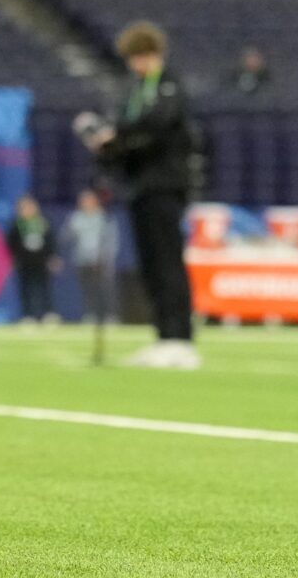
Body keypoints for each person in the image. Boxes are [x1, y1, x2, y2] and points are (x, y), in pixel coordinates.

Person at [77, 20, 199, 370]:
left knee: (168, 261)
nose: (136, 65)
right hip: (138, 185)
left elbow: (158, 123)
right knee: (149, 264)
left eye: (141, 57)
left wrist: (117, 136)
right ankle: (163, 335)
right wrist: (105, 145)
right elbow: (127, 136)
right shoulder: (133, 90)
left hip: (165, 184)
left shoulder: (169, 85)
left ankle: (181, 338)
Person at [62, 188, 117, 330]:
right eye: (83, 201)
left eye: (88, 200)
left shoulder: (103, 217)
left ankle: (109, 316)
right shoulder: (76, 218)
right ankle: (90, 315)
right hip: (82, 259)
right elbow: (66, 236)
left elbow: (111, 239)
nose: (85, 203)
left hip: (101, 259)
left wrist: (107, 256)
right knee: (87, 289)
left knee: (104, 289)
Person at [5, 195, 58, 326]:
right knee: (25, 289)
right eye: (23, 208)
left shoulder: (43, 222)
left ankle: (48, 314)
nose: (26, 210)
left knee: (44, 288)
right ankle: (28, 316)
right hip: (24, 262)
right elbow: (10, 243)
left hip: (41, 261)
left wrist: (53, 256)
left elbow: (51, 240)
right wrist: (13, 258)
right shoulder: (16, 224)